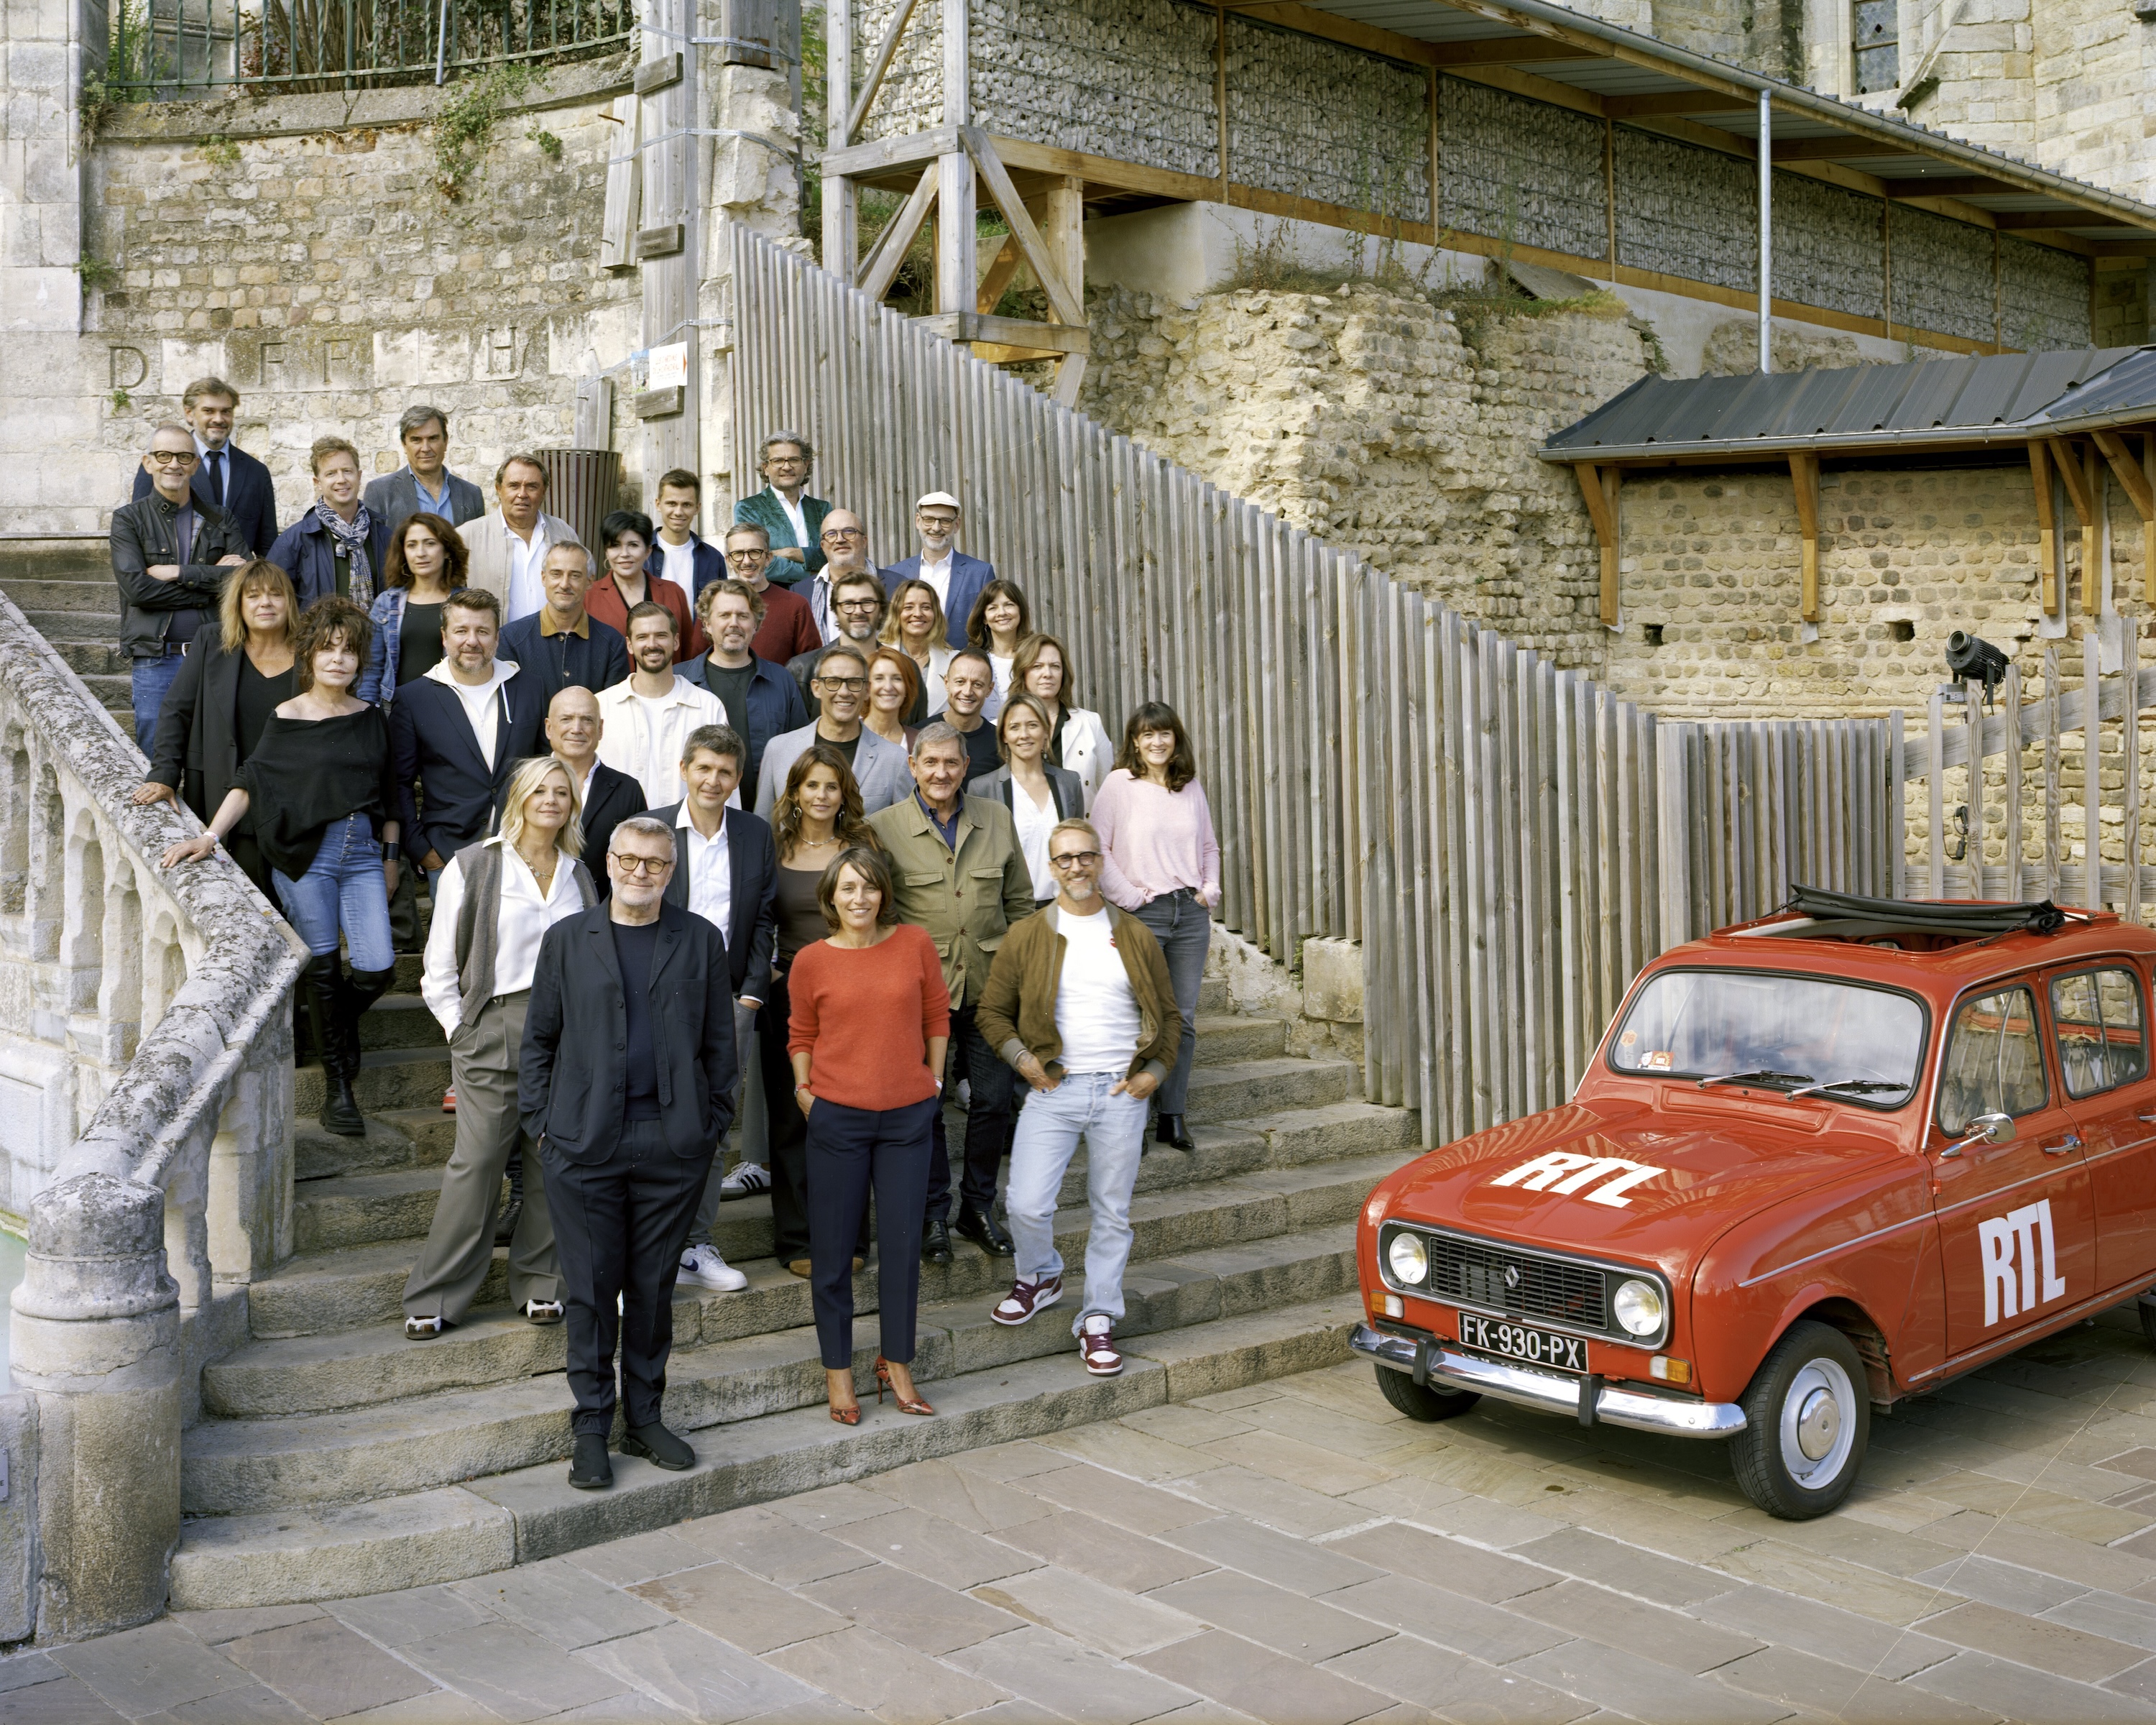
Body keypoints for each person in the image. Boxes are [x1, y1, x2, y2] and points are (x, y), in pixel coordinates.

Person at [520, 815, 736, 1491]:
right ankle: (591, 1427)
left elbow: (720, 1050)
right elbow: (538, 1043)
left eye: (655, 863)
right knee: (588, 1293)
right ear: (607, 862)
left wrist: (709, 1129)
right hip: (584, 1146)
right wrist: (543, 1127)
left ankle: (644, 1418)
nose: (641, 872)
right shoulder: (566, 940)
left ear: (671, 872)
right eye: (630, 860)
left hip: (672, 1147)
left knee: (651, 1291)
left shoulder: (699, 941)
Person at [161, 595, 400, 1138]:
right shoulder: (286, 717)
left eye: (349, 652)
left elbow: (390, 796)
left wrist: (390, 860)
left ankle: (329, 1027)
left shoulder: (371, 720)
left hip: (362, 856)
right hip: (305, 858)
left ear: (361, 661)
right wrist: (209, 836)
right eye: (328, 649)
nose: (338, 660)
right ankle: (339, 1093)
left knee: (376, 969)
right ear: (310, 657)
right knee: (322, 968)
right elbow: (249, 780)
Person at [402, 755, 596, 1340]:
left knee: (549, 1160)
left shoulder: (579, 874)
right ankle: (436, 1294)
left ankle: (542, 1282)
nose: (551, 800)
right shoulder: (476, 865)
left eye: (562, 792)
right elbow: (438, 964)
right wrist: (460, 1030)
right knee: (480, 1160)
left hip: (568, 1030)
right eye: (540, 790)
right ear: (519, 797)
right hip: (496, 1022)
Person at [977, 818, 1177, 1378]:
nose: (1076, 867)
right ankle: (1040, 1274)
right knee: (1025, 1204)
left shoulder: (1134, 934)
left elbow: (1171, 1016)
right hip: (1055, 1088)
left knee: (1112, 1212)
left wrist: (1155, 1073)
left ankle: (1098, 1318)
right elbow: (992, 1013)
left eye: (1086, 856)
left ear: (1101, 861)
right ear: (1051, 865)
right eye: (1065, 858)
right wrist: (1023, 1060)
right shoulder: (1029, 934)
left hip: (1120, 1092)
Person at [788, 846, 948, 1422]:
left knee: (903, 1248)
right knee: (832, 1255)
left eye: (870, 887)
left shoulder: (915, 944)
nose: (860, 898)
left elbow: (937, 1016)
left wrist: (934, 1079)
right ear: (831, 896)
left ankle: (896, 1363)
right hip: (837, 1119)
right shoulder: (811, 960)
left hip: (908, 1116)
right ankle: (838, 1374)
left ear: (885, 893)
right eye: (848, 888)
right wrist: (806, 1092)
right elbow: (800, 1032)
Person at [868, 724, 1033, 1264]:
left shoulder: (997, 819)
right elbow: (876, 915)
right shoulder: (882, 830)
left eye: (952, 763)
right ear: (912, 767)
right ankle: (932, 1214)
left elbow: (1021, 906)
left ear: (966, 767)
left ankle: (978, 1207)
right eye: (930, 763)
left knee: (991, 1100)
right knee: (925, 1107)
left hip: (989, 987)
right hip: (919, 996)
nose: (941, 773)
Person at [651, 724, 777, 1291]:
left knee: (712, 1122)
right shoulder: (653, 829)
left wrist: (752, 991)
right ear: (684, 769)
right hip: (656, 999)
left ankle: (696, 1243)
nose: (713, 780)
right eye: (703, 768)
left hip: (729, 1000)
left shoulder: (754, 833)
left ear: (737, 779)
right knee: (653, 1116)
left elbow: (765, 916)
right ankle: (655, 1242)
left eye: (725, 771)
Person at [761, 745, 880, 1276]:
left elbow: (884, 911)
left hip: (853, 992)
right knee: (792, 1118)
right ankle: (798, 1240)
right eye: (812, 785)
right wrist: (768, 974)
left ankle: (851, 1239)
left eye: (832, 786)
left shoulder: (861, 845)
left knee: (846, 1121)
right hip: (789, 994)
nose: (822, 796)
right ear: (795, 792)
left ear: (844, 793)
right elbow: (755, 913)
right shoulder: (773, 845)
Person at [1093, 702, 1222, 1153]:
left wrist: (1210, 889)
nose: (1157, 742)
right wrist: (1130, 898)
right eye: (1147, 735)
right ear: (1134, 741)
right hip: (1142, 914)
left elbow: (1208, 845)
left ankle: (1172, 1114)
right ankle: (1132, 1117)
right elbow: (1100, 847)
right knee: (1137, 1016)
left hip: (1189, 915)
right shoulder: (1118, 785)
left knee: (1181, 1018)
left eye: (1164, 734)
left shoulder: (1189, 788)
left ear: (1175, 738)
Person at [134, 557, 298, 901]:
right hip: (220, 792)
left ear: (290, 601)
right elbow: (177, 709)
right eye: (253, 595)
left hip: (289, 801)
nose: (265, 603)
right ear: (238, 603)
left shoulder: (312, 652)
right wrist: (164, 774)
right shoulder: (213, 641)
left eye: (275, 594)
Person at [388, 586, 548, 895]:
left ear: (497, 637)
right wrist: (422, 850)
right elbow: (399, 784)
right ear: (445, 637)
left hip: (524, 850)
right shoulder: (414, 698)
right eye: (461, 630)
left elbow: (546, 767)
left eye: (483, 631)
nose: (472, 641)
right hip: (450, 856)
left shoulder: (530, 689)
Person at [112, 421, 250, 748]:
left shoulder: (222, 519)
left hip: (215, 653)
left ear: (195, 464)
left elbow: (246, 581)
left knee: (214, 750)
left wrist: (177, 571)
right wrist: (213, 579)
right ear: (148, 463)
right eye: (163, 455)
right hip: (156, 657)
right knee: (154, 750)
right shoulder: (128, 519)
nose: (174, 464)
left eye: (184, 457)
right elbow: (138, 590)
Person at [676, 578, 806, 809]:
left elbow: (801, 753)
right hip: (695, 816)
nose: (733, 624)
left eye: (743, 616)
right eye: (724, 615)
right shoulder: (680, 680)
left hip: (766, 816)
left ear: (755, 624)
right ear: (707, 623)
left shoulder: (782, 680)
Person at [756, 641, 913, 819]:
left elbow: (905, 834)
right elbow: (764, 828)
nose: (844, 692)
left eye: (854, 683)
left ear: (867, 690)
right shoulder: (779, 750)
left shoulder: (895, 759)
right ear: (816, 688)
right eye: (833, 682)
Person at [128, 375, 277, 553]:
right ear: (189, 414)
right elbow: (141, 529)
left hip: (238, 578)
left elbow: (267, 546)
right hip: (178, 577)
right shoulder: (162, 466)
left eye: (226, 411)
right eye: (209, 411)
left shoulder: (257, 472)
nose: (219, 419)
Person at [594, 603, 724, 808]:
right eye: (642, 637)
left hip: (684, 837)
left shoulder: (708, 707)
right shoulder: (601, 706)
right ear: (629, 645)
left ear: (676, 641)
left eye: (661, 635)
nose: (652, 644)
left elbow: (724, 788)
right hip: (615, 836)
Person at [968, 693, 1085, 909]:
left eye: (1032, 725)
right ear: (1003, 735)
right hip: (1014, 913)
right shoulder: (983, 788)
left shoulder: (1069, 783)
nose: (1024, 735)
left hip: (1065, 908)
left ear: (1045, 731)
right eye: (1014, 727)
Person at [496, 542, 631, 709]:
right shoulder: (511, 638)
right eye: (556, 574)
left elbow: (614, 713)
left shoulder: (612, 642)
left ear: (590, 581)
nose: (565, 584)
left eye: (575, 575)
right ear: (544, 578)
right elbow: (511, 710)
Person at [539, 684, 646, 893]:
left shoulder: (627, 790)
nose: (577, 729)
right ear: (549, 728)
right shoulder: (522, 782)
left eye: (587, 720)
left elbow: (639, 862)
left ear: (600, 729)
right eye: (566, 719)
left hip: (601, 915)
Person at [268, 436, 393, 609]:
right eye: (331, 473)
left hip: (374, 635)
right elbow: (277, 602)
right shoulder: (293, 541)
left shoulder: (385, 537)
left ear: (359, 476)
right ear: (317, 483)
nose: (341, 479)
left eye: (347, 471)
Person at [356, 512, 469, 704]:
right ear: (403, 553)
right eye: (412, 545)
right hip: (396, 710)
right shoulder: (386, 603)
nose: (420, 553)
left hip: (451, 707)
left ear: (447, 549)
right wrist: (368, 714)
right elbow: (371, 668)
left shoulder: (466, 602)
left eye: (430, 543)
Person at [457, 454, 578, 623]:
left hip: (555, 644)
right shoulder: (467, 537)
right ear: (499, 489)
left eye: (532, 487)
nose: (522, 494)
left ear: (543, 491)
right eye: (514, 486)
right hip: (496, 646)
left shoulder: (564, 533)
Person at [1010, 632, 1115, 810]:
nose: (1047, 674)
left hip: (1078, 833)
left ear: (1063, 674)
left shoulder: (1090, 723)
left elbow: (1107, 790)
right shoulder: (1001, 727)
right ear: (1023, 673)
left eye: (1055, 666)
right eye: (1037, 666)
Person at [585, 509, 703, 660]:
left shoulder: (673, 592)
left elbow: (687, 652)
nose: (624, 553)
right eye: (615, 545)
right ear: (607, 552)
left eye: (633, 545)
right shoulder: (588, 596)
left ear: (648, 551)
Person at [880, 492, 992, 648]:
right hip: (909, 666)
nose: (936, 528)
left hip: (962, 666)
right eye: (929, 519)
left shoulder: (980, 573)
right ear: (918, 521)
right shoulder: (896, 573)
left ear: (957, 524)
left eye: (945, 521)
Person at [363, 405, 487, 538]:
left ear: (446, 442)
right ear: (404, 444)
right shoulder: (380, 492)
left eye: (433, 438)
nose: (425, 448)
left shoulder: (471, 494)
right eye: (416, 440)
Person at [788, 565, 887, 716]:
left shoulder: (904, 667)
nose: (858, 611)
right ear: (835, 611)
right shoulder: (802, 669)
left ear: (881, 610)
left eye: (867, 603)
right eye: (848, 604)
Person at [732, 433, 830, 581]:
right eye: (778, 461)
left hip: (821, 596)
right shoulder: (749, 508)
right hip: (774, 600)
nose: (787, 467)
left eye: (794, 460)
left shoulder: (822, 509)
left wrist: (791, 553)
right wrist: (817, 573)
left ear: (806, 465)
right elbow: (757, 563)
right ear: (766, 468)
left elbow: (833, 555)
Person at [724, 523, 819, 665]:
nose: (747, 561)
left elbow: (811, 664)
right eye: (738, 554)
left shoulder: (795, 605)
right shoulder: (716, 604)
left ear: (768, 558)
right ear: (729, 561)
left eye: (755, 552)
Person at [799, 511, 878, 649]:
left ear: (864, 541)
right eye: (831, 534)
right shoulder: (801, 592)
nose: (840, 539)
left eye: (849, 532)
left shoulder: (896, 586)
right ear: (823, 546)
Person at [879, 577, 952, 722]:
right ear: (897, 613)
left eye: (926, 607)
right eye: (909, 607)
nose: (918, 613)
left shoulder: (954, 661)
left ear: (936, 614)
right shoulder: (877, 655)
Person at [650, 468, 727, 603]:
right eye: (672, 504)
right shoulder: (641, 552)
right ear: (658, 504)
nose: (678, 512)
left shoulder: (713, 559)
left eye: (686, 505)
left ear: (697, 508)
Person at [931, 650, 1001, 786]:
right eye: (960, 682)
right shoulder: (920, 733)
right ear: (947, 683)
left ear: (990, 689)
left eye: (977, 684)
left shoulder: (1001, 741)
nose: (967, 692)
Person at [966, 579, 1031, 722]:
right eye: (993, 608)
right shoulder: (974, 661)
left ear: (1020, 611)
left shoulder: (1035, 657)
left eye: (1009, 605)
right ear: (984, 618)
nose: (1001, 613)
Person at [864, 646, 921, 751]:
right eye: (879, 678)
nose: (888, 687)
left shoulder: (920, 742)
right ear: (867, 687)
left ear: (907, 688)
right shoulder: (848, 735)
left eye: (897, 679)